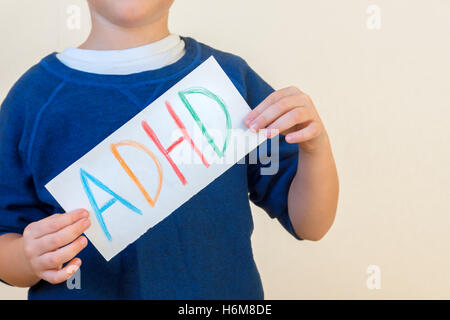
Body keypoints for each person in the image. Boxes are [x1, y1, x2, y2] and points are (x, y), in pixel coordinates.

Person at [0, 0, 339, 299]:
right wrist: (27, 259)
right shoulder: (33, 100)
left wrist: (315, 147)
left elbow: (310, 224)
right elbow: (6, 245)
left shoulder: (232, 80)